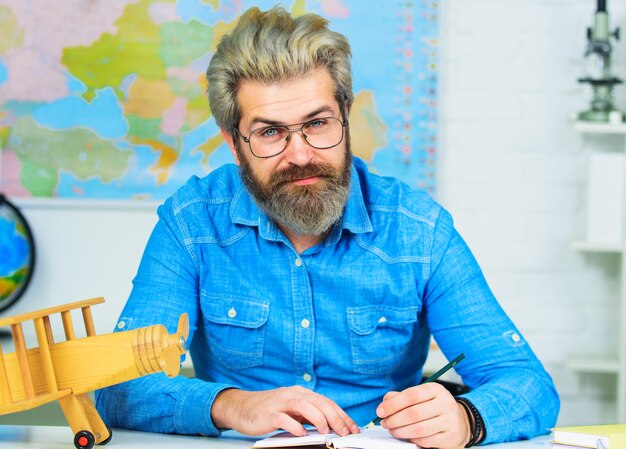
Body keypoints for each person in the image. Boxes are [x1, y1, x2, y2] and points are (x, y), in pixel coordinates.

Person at [96, 6, 559, 449]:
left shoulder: (420, 230)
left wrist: (466, 419)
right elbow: (116, 389)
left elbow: (528, 384)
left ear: (345, 114)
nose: (300, 155)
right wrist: (232, 406)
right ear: (234, 144)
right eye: (270, 132)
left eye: (317, 123)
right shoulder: (190, 224)